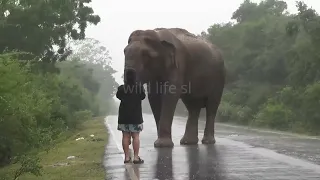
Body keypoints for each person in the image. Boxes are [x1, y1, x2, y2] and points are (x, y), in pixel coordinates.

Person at [116, 69, 146, 164]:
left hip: (124, 116)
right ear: (135, 77)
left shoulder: (121, 88)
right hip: (136, 116)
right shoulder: (139, 88)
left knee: (125, 136)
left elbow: (118, 96)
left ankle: (126, 158)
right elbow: (142, 97)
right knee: (135, 136)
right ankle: (136, 158)